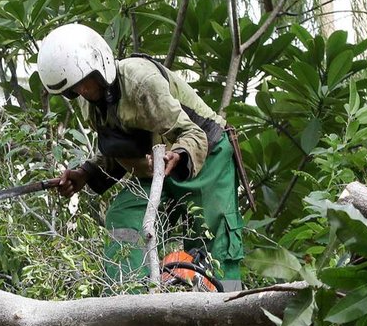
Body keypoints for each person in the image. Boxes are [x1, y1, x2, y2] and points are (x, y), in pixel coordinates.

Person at [37, 23, 244, 293]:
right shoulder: (90, 101)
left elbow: (191, 134)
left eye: (85, 83)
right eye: (74, 90)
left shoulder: (141, 82)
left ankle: (228, 322)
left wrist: (179, 154)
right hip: (156, 168)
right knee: (124, 215)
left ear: (99, 66)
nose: (83, 92)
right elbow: (121, 147)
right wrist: (85, 173)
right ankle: (129, 304)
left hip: (206, 157)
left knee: (212, 244)